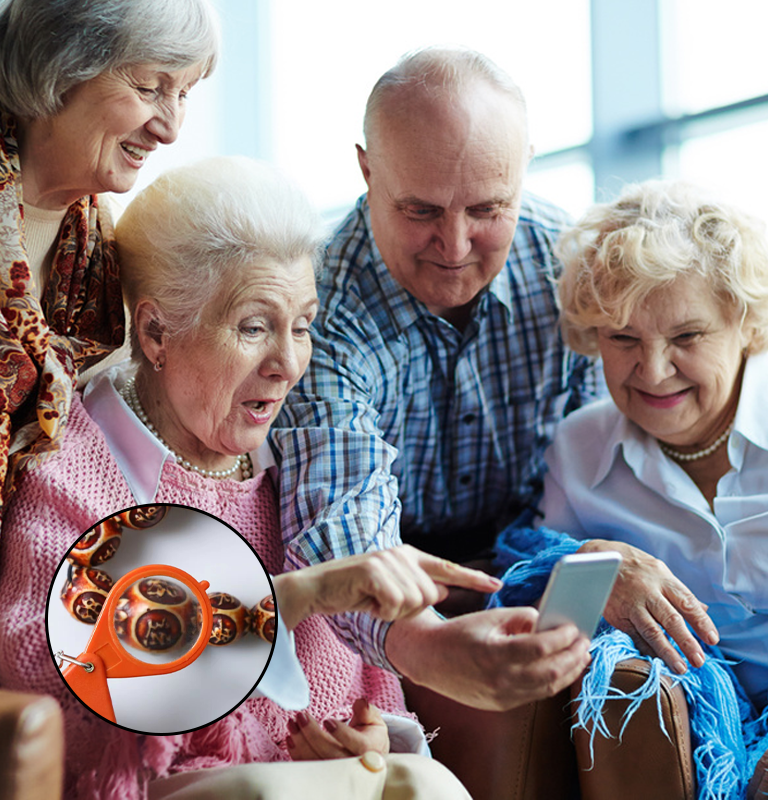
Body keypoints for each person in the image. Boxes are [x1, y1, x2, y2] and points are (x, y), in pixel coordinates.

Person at [0, 155, 494, 799]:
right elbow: (57, 689)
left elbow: (365, 686)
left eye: (304, 326)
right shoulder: (77, 470)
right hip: (161, 787)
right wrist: (295, 597)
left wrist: (367, 741)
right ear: (155, 332)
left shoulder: (297, 469)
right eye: (254, 327)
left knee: (422, 783)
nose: (287, 363)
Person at [271, 45, 597, 797]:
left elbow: (609, 456)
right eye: (419, 210)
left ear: (525, 170)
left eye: (488, 210)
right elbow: (340, 521)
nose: (454, 248)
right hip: (389, 587)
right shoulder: (316, 305)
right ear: (365, 171)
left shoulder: (566, 264)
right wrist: (423, 643)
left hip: (533, 556)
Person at [0, 0, 219, 655]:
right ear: (59, 66)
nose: (168, 128)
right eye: (148, 88)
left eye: (184, 94)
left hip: (26, 632)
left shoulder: (110, 258)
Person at [503, 180, 768, 799]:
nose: (652, 370)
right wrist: (587, 566)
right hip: (700, 731)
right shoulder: (577, 449)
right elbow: (545, 627)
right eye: (623, 339)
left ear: (746, 322)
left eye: (686, 337)